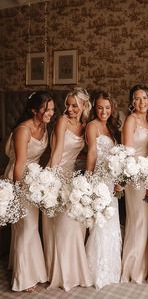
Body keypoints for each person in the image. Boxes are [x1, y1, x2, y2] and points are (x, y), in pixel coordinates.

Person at [43, 87, 93, 291]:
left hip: (72, 177)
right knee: (62, 225)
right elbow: (57, 152)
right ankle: (60, 274)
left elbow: (86, 153)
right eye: (68, 105)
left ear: (84, 106)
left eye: (75, 105)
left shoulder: (85, 126)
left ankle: (74, 271)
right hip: (57, 173)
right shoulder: (62, 121)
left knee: (77, 222)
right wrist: (50, 180)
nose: (70, 109)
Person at [4, 91, 55, 292]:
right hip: (19, 177)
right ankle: (24, 277)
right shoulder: (23, 131)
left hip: (34, 180)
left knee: (28, 227)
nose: (51, 113)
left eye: (52, 109)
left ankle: (26, 269)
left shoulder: (45, 127)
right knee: (27, 227)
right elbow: (19, 165)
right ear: (34, 110)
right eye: (46, 109)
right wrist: (17, 193)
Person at [85, 90, 122, 289]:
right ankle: (96, 271)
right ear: (94, 108)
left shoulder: (112, 128)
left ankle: (111, 269)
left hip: (111, 180)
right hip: (99, 180)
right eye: (100, 107)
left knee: (111, 223)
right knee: (100, 224)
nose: (103, 111)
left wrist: (119, 180)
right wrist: (89, 181)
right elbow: (92, 152)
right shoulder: (92, 126)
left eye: (107, 107)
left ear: (112, 108)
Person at [121, 83, 148, 283]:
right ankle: (133, 268)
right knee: (138, 220)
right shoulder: (131, 120)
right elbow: (128, 151)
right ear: (132, 103)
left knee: (147, 221)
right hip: (135, 177)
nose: (141, 102)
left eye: (144, 98)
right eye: (137, 98)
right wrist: (136, 175)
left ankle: (143, 265)